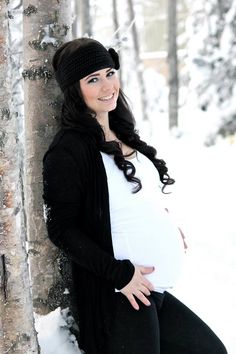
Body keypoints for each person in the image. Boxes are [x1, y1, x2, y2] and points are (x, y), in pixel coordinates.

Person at [42, 37, 227, 354]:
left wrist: (163, 225)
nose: (107, 86)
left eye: (109, 72)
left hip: (152, 290)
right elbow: (61, 229)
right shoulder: (69, 148)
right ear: (75, 89)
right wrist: (121, 274)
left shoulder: (121, 130)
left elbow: (131, 198)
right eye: (93, 79)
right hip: (122, 294)